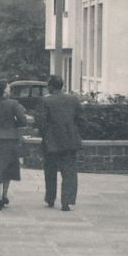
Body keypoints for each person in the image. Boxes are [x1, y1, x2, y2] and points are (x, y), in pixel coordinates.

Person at [35, 74, 83, 211]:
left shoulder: (44, 101)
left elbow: (41, 121)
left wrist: (45, 135)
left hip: (51, 142)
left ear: (50, 86)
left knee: (50, 171)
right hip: (69, 140)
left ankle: (50, 199)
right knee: (69, 172)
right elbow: (80, 118)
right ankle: (66, 202)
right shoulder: (73, 99)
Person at [0, 80, 30, 211]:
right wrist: (14, 124)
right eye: (8, 88)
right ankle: (4, 195)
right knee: (8, 169)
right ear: (3, 91)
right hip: (10, 139)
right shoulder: (13, 104)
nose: (9, 90)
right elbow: (23, 121)